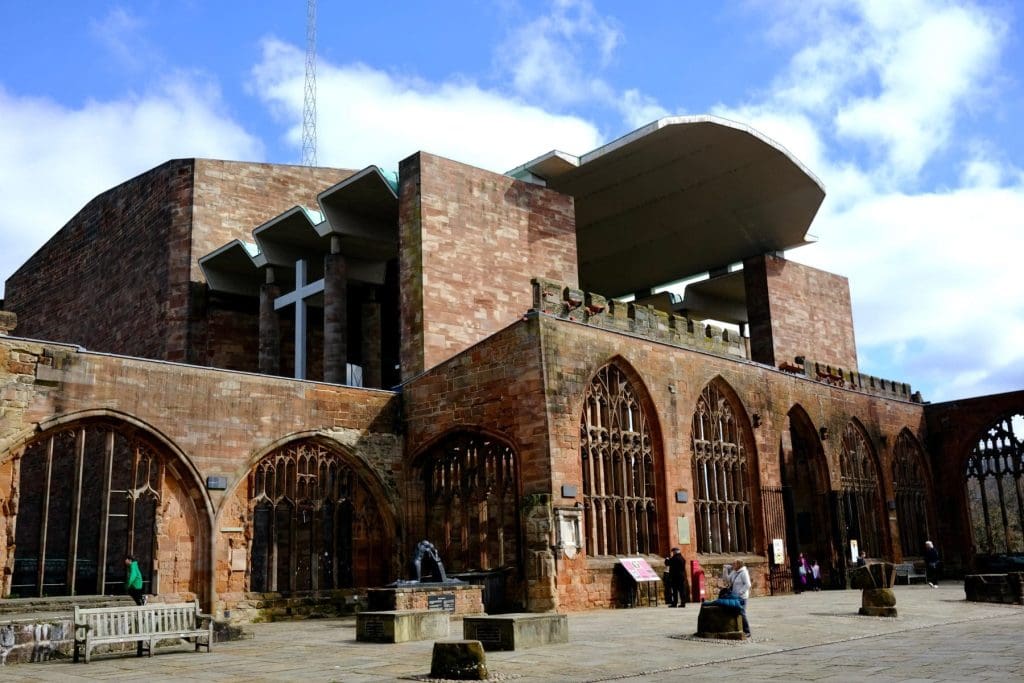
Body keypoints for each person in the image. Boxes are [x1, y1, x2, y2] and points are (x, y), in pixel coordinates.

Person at [722, 559, 752, 637]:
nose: (732, 565)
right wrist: (725, 569)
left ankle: (747, 631)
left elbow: (748, 584)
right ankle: (738, 629)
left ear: (739, 565)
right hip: (734, 596)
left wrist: (740, 593)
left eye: (734, 564)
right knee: (735, 612)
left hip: (742, 597)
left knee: (742, 613)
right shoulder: (734, 572)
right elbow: (726, 579)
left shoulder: (744, 573)